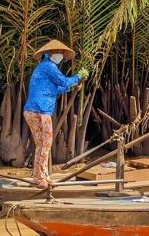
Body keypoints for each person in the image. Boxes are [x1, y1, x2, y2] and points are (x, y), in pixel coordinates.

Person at [24, 40, 88, 188]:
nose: (61, 56)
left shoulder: (42, 68)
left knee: (41, 144)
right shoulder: (49, 66)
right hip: (40, 111)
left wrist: (71, 87)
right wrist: (78, 76)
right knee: (45, 144)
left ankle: (39, 176)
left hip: (32, 110)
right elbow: (64, 82)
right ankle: (40, 178)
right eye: (59, 53)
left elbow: (56, 89)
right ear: (51, 54)